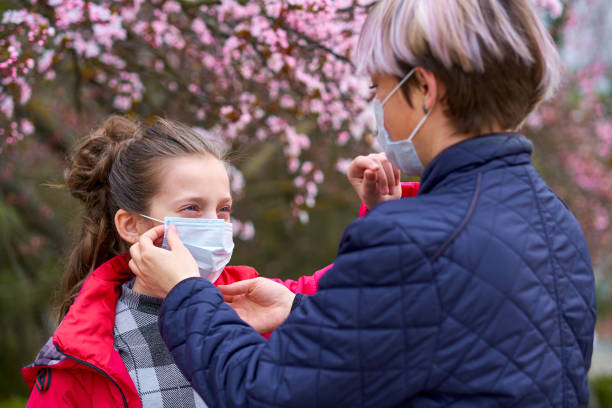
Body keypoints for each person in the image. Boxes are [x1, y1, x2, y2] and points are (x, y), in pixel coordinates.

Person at [129, 0, 597, 406]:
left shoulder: (414, 240)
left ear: (425, 90)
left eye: (378, 88)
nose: (377, 107)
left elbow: (264, 391)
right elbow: (447, 338)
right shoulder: (555, 221)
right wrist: (300, 309)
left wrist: (186, 292)